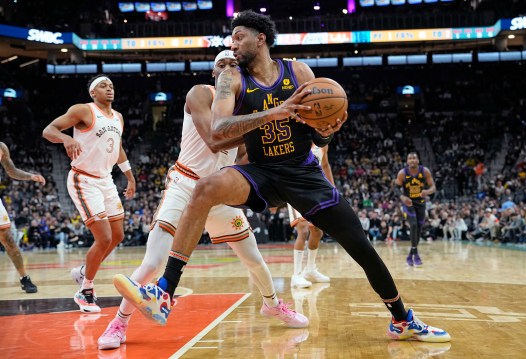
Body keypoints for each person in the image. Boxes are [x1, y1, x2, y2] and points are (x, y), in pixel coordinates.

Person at [115, 10, 450, 343]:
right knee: (205, 187)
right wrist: (276, 111)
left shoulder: (298, 71)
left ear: (261, 38)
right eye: (230, 38)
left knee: (360, 245)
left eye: (239, 37)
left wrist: (328, 131)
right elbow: (217, 132)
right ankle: (164, 291)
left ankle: (402, 319)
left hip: (303, 173)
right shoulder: (232, 78)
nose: (233, 45)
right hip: (260, 171)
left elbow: (317, 135)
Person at [100, 51, 307, 350]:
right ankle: (119, 322)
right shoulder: (200, 93)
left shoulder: (247, 108)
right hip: (185, 184)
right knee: (153, 262)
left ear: (242, 73)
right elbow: (214, 138)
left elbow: (246, 156)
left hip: (219, 190)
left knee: (255, 260)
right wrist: (264, 122)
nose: (226, 69)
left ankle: (272, 304)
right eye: (220, 65)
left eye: (233, 65)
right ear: (212, 73)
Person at [42, 74, 136, 313]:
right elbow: (49, 130)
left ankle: (83, 272)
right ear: (93, 92)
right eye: (103, 86)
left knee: (117, 236)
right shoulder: (83, 110)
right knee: (103, 238)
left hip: (105, 180)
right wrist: (65, 139)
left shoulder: (118, 117)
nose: (109, 89)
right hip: (83, 179)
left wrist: (129, 176)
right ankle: (86, 290)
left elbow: (118, 147)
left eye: (111, 85)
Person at [0, 141, 45, 293]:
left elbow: (11, 170)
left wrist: (30, 176)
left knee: (9, 240)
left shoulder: (2, 147)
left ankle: (24, 278)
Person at [288, 144, 332, 288]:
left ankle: (310, 270)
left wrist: (332, 188)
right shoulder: (296, 138)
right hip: (295, 189)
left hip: (315, 190)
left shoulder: (323, 143)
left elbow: (325, 165)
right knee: (303, 230)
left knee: (317, 231)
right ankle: (296, 275)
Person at [393, 152, 436, 267]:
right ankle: (416, 254)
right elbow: (395, 188)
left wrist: (427, 191)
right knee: (413, 225)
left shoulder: (425, 171)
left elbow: (433, 187)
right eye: (410, 158)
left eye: (414, 158)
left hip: (421, 203)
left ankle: (410, 255)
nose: (412, 160)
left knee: (418, 229)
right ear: (407, 161)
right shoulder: (402, 173)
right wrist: (402, 197)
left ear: (418, 160)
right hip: (408, 203)